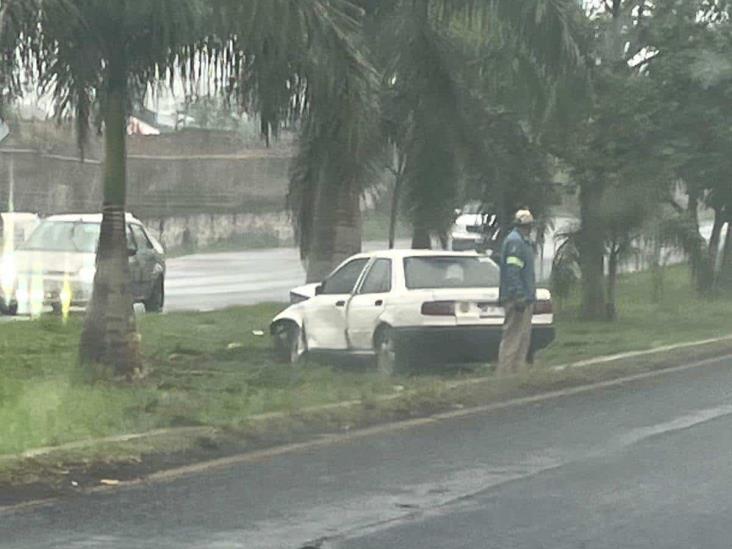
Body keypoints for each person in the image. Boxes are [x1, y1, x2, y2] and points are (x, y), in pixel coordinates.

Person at [497, 209, 537, 375]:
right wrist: (518, 295)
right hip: (517, 299)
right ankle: (506, 373)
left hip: (526, 298)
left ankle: (517, 373)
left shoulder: (523, 241)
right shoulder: (515, 242)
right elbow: (512, 271)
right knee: (513, 337)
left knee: (522, 338)